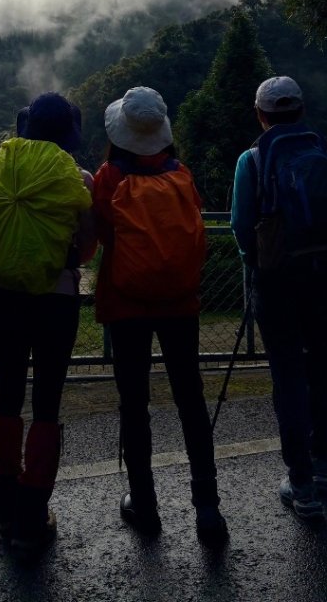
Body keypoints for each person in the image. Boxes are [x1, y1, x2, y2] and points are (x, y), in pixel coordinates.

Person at [92, 86, 228, 545]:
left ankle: (145, 506)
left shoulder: (109, 177)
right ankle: (208, 510)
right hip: (179, 304)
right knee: (190, 399)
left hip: (126, 304)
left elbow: (102, 239)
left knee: (135, 405)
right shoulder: (182, 175)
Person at [0, 92, 94, 558]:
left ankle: (4, 505)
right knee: (46, 403)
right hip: (55, 302)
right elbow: (85, 249)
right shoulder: (78, 179)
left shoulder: (2, 172)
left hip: (4, 299)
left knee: (7, 395)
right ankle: (32, 516)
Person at [231, 76, 327, 520]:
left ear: (261, 115)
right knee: (321, 366)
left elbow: (242, 224)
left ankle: (300, 483)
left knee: (287, 373)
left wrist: (255, 261)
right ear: (301, 111)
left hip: (278, 280)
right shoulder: (325, 154)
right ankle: (322, 463)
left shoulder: (253, 158)